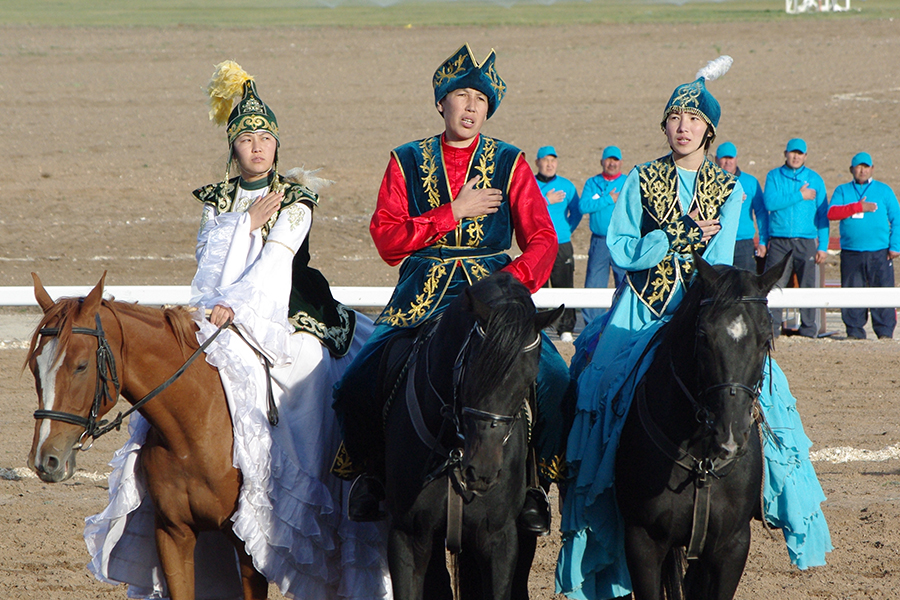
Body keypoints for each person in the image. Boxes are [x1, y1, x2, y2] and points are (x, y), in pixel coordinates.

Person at [85, 61, 391, 599]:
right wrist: (240, 229)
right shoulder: (218, 206)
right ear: (233, 148)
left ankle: (300, 478)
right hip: (217, 310)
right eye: (247, 138)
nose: (257, 147)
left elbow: (275, 265)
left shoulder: (296, 201)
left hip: (285, 311)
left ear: (277, 146)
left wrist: (236, 307)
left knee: (305, 374)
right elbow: (207, 272)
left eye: (265, 138)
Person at [556, 56, 832, 600]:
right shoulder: (641, 178)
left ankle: (776, 496)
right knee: (593, 384)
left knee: (770, 397)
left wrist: (693, 259)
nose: (683, 126)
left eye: (693, 118)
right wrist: (676, 234)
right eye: (674, 118)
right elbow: (623, 249)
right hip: (643, 309)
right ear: (665, 127)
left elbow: (722, 261)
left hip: (707, 308)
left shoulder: (728, 190)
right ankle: (595, 496)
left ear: (709, 129)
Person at [332, 44, 570, 533]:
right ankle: (375, 478)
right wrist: (453, 213)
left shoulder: (510, 161)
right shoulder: (405, 161)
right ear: (441, 103)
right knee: (353, 385)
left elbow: (543, 239)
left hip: (495, 295)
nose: (470, 106)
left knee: (556, 381)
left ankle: (532, 486)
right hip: (422, 295)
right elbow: (389, 240)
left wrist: (509, 287)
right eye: (460, 95)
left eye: (480, 100)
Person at [828, 152, 900, 339]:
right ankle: (854, 331)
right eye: (858, 167)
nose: (862, 170)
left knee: (882, 291)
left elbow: (897, 218)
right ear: (851, 170)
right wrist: (858, 207)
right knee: (852, 292)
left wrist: (895, 245)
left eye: (866, 167)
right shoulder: (842, 191)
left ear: (872, 169)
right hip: (852, 252)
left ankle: (885, 332)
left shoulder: (884, 190)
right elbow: (833, 213)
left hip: (880, 252)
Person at [763, 138, 829, 338]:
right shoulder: (774, 176)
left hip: (806, 241)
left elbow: (822, 214)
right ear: (785, 153)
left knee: (808, 285)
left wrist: (823, 246)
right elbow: (770, 203)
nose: (796, 157)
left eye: (800, 153)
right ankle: (771, 330)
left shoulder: (815, 179)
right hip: (779, 241)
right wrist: (799, 195)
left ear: (805, 156)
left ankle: (809, 329)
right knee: (774, 286)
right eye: (793, 153)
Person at [535, 145, 583, 342]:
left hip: (561, 244)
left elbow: (577, 212)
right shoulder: (530, 184)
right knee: (539, 285)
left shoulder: (567, 185)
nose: (549, 164)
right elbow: (525, 208)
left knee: (564, 284)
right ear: (537, 162)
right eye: (545, 160)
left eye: (553, 160)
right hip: (538, 243)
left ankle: (566, 328)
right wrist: (546, 200)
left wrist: (566, 230)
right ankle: (542, 327)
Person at [579, 145, 627, 326]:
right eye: (609, 160)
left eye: (615, 160)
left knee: (624, 282)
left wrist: (599, 200)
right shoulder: (593, 183)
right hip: (599, 242)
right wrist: (609, 199)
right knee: (594, 283)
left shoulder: (627, 182)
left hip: (621, 241)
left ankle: (620, 323)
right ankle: (591, 325)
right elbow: (584, 206)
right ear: (602, 162)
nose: (612, 163)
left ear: (621, 162)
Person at [715, 141, 769, 272]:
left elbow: (761, 213)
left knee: (745, 285)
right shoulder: (710, 182)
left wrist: (763, 241)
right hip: (717, 241)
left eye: (731, 158)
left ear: (736, 159)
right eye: (724, 158)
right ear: (716, 159)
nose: (728, 162)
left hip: (743, 243)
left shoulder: (750, 182)